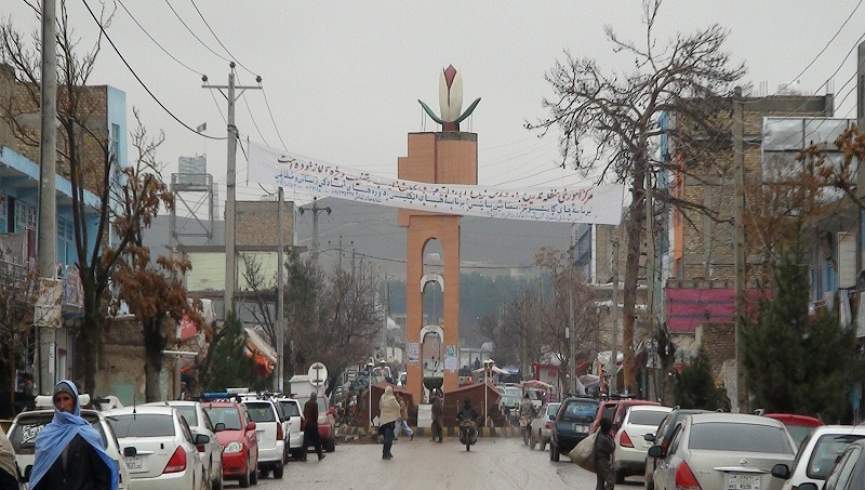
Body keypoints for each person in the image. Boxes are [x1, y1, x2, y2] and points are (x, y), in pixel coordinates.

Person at [30, 380, 118, 490]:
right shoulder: (45, 437)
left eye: (66, 399)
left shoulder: (88, 435)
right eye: (58, 400)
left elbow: (103, 475)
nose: (62, 405)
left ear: (75, 401)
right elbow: (40, 478)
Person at [378, 386, 401, 460]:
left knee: (386, 438)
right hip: (390, 421)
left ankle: (386, 453)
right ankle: (386, 453)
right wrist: (397, 415)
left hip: (383, 421)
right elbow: (398, 407)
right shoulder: (392, 398)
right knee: (389, 438)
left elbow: (380, 406)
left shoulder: (382, 397)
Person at [302, 393, 325, 462]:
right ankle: (320, 455)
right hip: (313, 425)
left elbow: (304, 413)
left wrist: (306, 420)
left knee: (305, 441)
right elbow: (315, 415)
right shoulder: (315, 404)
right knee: (317, 441)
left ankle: (303, 456)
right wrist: (315, 423)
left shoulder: (306, 403)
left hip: (306, 424)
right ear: (315, 398)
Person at [594, 418, 616, 490]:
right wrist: (611, 438)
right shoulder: (605, 439)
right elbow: (612, 448)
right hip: (603, 461)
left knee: (600, 482)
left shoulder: (599, 435)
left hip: (598, 460)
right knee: (610, 481)